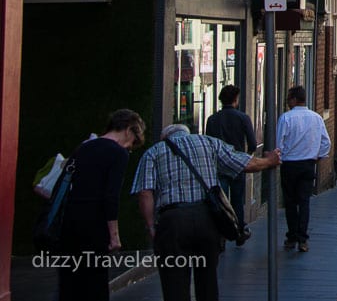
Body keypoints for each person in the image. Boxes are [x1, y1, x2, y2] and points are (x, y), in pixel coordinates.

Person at [133, 123, 280, 301]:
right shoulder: (208, 142)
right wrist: (269, 161)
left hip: (173, 221)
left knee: (174, 282)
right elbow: (244, 163)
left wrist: (151, 227)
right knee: (207, 278)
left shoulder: (153, 152)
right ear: (188, 133)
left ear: (165, 138)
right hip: (206, 219)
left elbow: (144, 193)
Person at [57, 109, 145, 301]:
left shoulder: (84, 147)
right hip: (94, 224)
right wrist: (114, 235)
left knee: (69, 281)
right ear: (129, 130)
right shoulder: (118, 153)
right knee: (95, 282)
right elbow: (110, 196)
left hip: (70, 221)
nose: (130, 147)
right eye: (132, 143)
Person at [277, 86, 331, 252]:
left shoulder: (286, 118)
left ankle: (292, 236)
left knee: (291, 202)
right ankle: (303, 239)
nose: (287, 102)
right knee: (304, 201)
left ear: (294, 99)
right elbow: (326, 143)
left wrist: (279, 157)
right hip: (308, 164)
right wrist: (318, 156)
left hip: (289, 164)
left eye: (288, 98)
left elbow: (278, 143)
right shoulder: (316, 118)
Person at [204, 85, 257, 233]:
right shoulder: (243, 118)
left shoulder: (212, 119)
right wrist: (245, 157)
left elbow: (208, 142)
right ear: (235, 100)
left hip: (219, 165)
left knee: (221, 200)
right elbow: (252, 143)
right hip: (237, 164)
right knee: (237, 200)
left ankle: (221, 229)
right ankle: (238, 228)